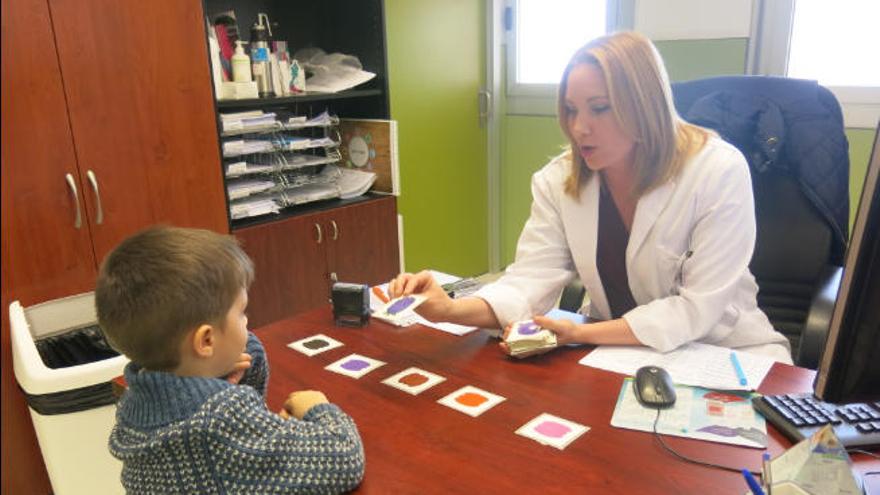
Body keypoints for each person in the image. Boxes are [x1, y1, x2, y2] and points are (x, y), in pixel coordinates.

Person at [390, 31, 792, 363]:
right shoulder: (559, 180)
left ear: (644, 105)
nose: (579, 128)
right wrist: (449, 310)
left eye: (599, 109)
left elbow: (697, 309)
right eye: (570, 109)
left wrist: (577, 334)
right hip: (618, 356)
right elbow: (531, 279)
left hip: (725, 357)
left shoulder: (716, 170)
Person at [95, 226, 365, 494]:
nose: (247, 322)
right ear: (206, 341)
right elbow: (345, 457)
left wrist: (218, 374)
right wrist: (319, 409)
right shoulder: (220, 420)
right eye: (241, 312)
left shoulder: (136, 403)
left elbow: (251, 365)